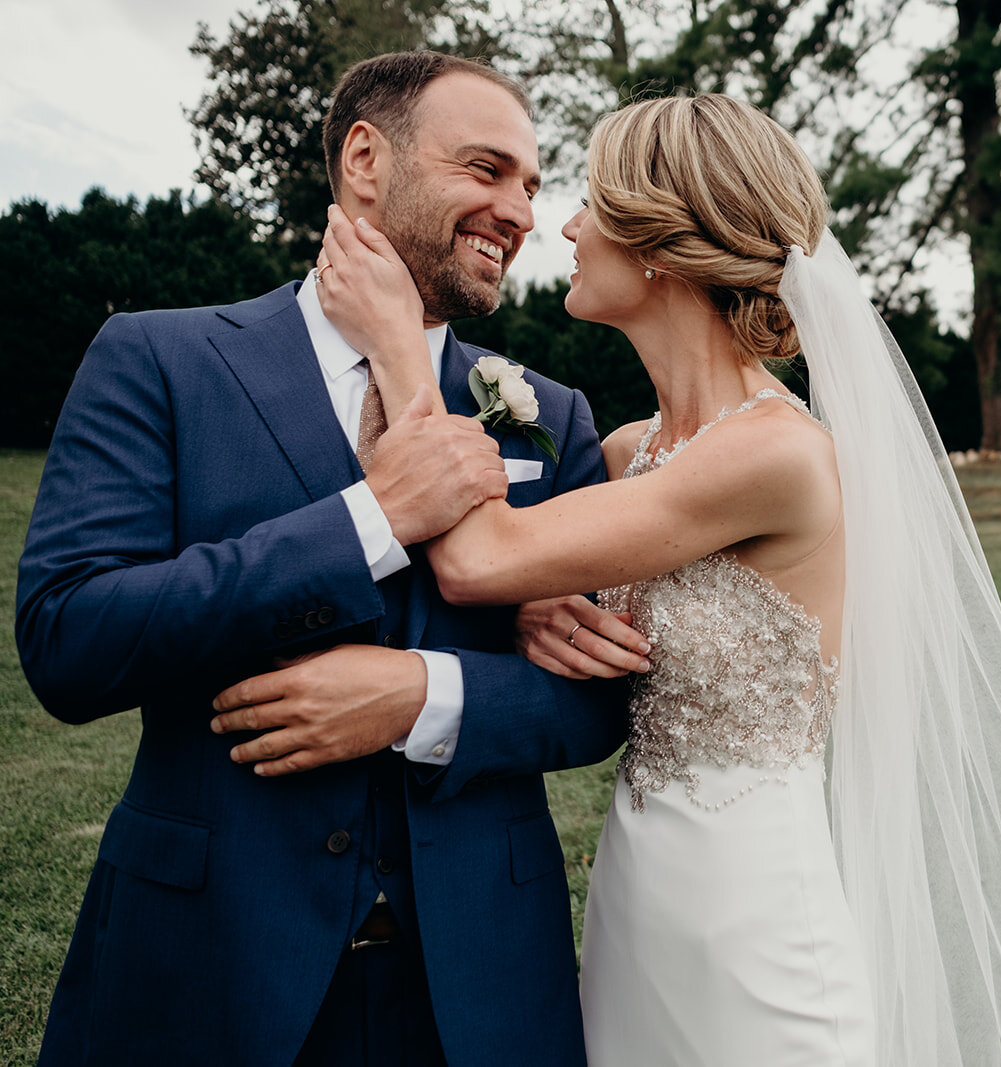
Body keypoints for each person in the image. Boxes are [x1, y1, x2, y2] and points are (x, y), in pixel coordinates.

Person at [313, 94, 1001, 1065]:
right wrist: (539, 600)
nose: (561, 224)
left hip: (754, 914)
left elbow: (473, 557)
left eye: (590, 202)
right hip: (640, 892)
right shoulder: (632, 449)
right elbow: (511, 569)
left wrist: (397, 347)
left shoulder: (776, 455)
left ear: (658, 244)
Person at [14, 52, 630, 1066]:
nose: (520, 210)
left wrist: (421, 693)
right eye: (487, 169)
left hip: (476, 993)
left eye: (528, 182)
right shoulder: (160, 360)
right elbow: (69, 639)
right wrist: (371, 519)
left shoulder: (549, 413)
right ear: (364, 160)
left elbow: (595, 697)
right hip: (206, 973)